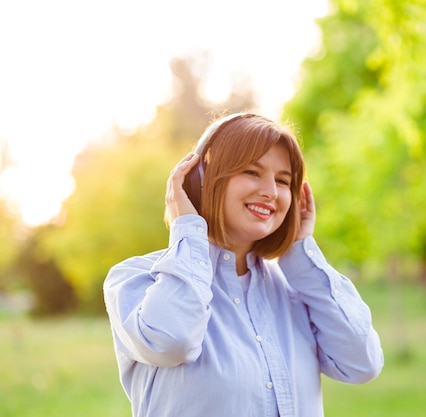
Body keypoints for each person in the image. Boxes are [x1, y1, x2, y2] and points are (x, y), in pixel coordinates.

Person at [103, 113, 384, 417]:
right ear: (200, 180)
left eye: (283, 181)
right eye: (252, 172)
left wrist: (301, 254)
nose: (271, 192)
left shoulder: (297, 290)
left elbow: (362, 363)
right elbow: (170, 340)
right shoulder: (136, 279)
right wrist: (187, 227)